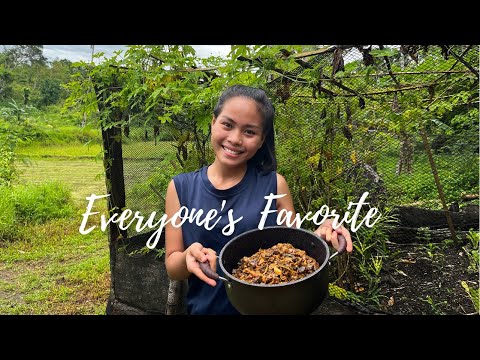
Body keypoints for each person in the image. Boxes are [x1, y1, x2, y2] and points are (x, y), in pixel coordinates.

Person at [165, 84, 353, 315]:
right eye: (227, 124)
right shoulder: (180, 187)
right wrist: (187, 258)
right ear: (213, 122)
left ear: (262, 139)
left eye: (249, 132)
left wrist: (321, 236)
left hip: (274, 308)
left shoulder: (275, 184)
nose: (235, 139)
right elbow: (173, 266)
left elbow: (292, 249)